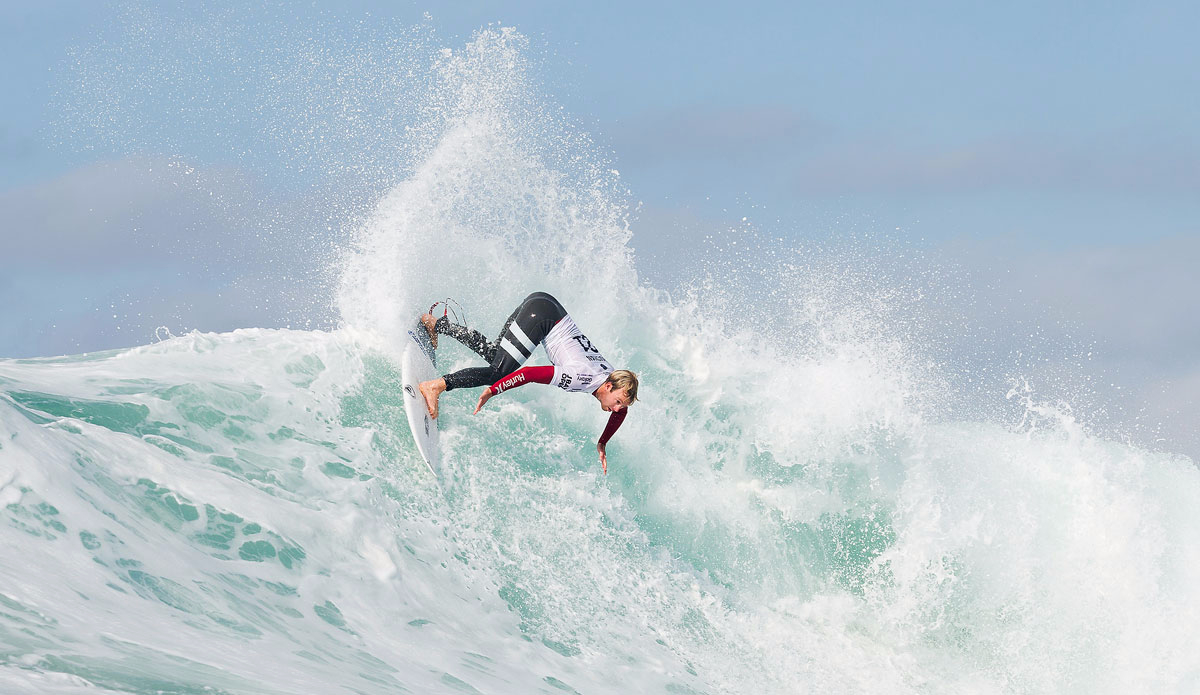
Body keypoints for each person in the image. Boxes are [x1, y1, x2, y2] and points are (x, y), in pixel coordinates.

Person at [417, 291, 638, 473]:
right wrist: (493, 391)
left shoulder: (611, 378)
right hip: (542, 316)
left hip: (546, 304)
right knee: (498, 372)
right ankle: (436, 385)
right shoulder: (582, 377)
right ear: (608, 387)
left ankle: (435, 325)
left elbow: (621, 411)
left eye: (621, 405)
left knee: (496, 354)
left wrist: (602, 442)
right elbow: (530, 373)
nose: (616, 409)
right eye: (617, 402)